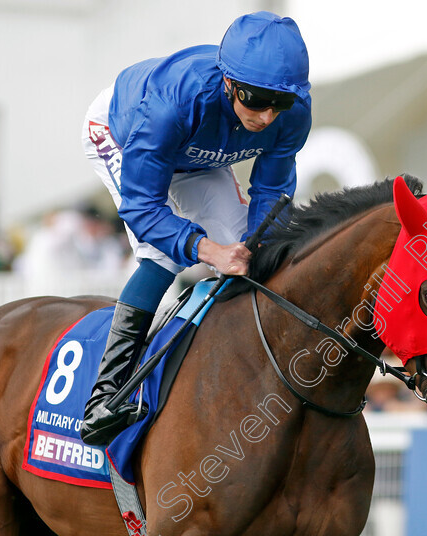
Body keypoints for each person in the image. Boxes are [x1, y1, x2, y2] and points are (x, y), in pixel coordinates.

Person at [79, 11, 311, 445]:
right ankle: (104, 394)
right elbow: (142, 207)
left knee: (257, 253)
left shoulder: (292, 114)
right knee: (163, 255)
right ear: (228, 83)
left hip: (200, 154)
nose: (266, 117)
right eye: (257, 99)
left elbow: (271, 192)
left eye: (279, 104)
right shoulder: (173, 102)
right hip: (125, 133)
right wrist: (207, 250)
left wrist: (249, 248)